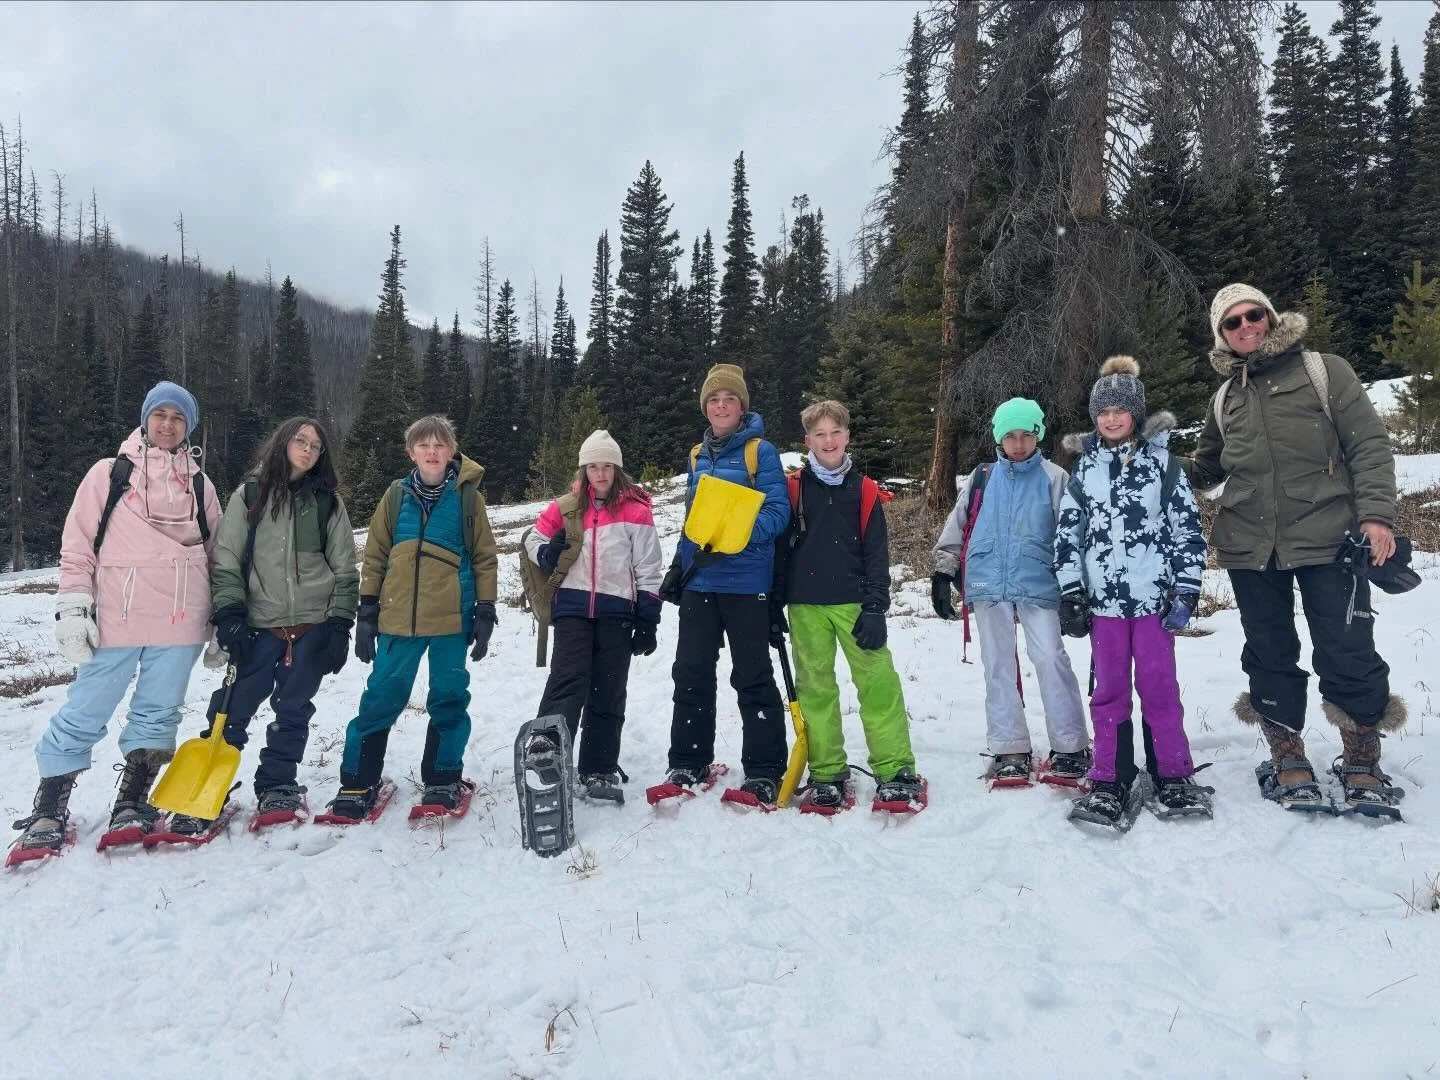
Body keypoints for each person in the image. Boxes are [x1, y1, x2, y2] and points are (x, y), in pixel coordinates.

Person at [1192, 283, 1405, 813]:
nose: (1246, 327)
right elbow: (1206, 468)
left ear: (1270, 315)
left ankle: (1361, 760)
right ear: (1222, 335)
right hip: (1249, 545)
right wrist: (1143, 463)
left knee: (1346, 647)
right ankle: (1288, 756)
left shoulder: (1324, 371)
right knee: (1269, 654)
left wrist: (1376, 516)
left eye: (1253, 315)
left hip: (1330, 538)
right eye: (1232, 323)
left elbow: (1369, 445)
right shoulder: (1225, 397)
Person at [12, 381, 221, 853]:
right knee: (85, 709)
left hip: (181, 621)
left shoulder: (201, 485)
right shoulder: (109, 474)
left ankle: (132, 801)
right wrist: (72, 604)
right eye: (160, 415)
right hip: (116, 618)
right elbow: (78, 546)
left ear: (189, 427)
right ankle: (50, 806)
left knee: (159, 712)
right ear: (146, 419)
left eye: (178, 418)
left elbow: (217, 556)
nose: (168, 425)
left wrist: (222, 619)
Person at [163, 417, 358, 834]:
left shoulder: (327, 502)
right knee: (231, 709)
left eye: (316, 446)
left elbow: (344, 568)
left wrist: (341, 624)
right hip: (257, 628)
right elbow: (228, 557)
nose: (307, 450)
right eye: (300, 441)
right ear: (283, 443)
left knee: (293, 710)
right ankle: (204, 792)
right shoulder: (250, 494)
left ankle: (278, 784)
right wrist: (230, 613)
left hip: (311, 628)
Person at [1055, 357, 1209, 824]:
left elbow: (1187, 529)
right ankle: (1110, 775)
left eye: (1120, 410)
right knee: (1109, 691)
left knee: (1159, 687)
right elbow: (1068, 533)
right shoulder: (1084, 470)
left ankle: (1172, 773)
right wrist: (1071, 591)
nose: (1111, 418)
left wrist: (1186, 588)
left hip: (1153, 603)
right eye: (1102, 411)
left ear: (1136, 415)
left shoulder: (1163, 465)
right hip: (1103, 606)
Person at [327, 415, 497, 820]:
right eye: (424, 445)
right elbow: (376, 554)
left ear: (451, 451)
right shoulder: (396, 494)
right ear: (411, 452)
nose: (432, 452)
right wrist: (367, 612)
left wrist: (486, 611)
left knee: (448, 700)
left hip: (451, 623)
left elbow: (485, 558)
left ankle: (442, 778)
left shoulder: (468, 498)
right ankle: (358, 780)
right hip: (397, 622)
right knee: (381, 698)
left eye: (440, 445)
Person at [932, 397, 1090, 785]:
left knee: (1051, 657)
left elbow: (1073, 538)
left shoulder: (1056, 479)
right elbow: (957, 527)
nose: (1018, 444)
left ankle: (1070, 745)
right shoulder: (982, 477)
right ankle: (1009, 745)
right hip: (988, 583)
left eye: (1026, 435)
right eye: (1009, 436)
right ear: (998, 438)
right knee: (998, 664)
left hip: (1039, 581)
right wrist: (942, 571)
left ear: (1038, 435)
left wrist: (1076, 588)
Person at [776, 400, 922, 808]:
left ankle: (895, 768)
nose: (828, 441)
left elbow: (877, 554)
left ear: (847, 437)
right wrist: (774, 602)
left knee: (878, 685)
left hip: (856, 605)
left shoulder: (865, 490)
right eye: (819, 434)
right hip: (806, 607)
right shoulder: (792, 488)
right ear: (808, 440)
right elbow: (781, 551)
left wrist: (876, 606)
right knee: (816, 689)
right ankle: (827, 771)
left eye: (835, 432)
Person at [658, 364, 791, 806]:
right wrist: (680, 566)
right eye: (714, 399)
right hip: (702, 581)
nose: (720, 405)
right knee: (691, 673)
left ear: (741, 406)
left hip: (747, 582)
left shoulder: (760, 452)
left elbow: (777, 514)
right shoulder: (697, 455)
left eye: (728, 399)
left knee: (751, 676)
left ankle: (765, 769)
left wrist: (735, 535)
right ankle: (688, 761)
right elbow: (694, 521)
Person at [524, 430, 663, 803]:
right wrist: (548, 554)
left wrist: (648, 619)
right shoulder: (566, 507)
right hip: (572, 609)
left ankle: (598, 768)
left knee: (608, 689)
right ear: (583, 470)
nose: (600, 474)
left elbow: (649, 569)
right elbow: (533, 540)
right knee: (567, 680)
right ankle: (547, 756)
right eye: (592, 467)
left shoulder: (636, 510)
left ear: (617, 469)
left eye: (606, 466)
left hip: (618, 613)